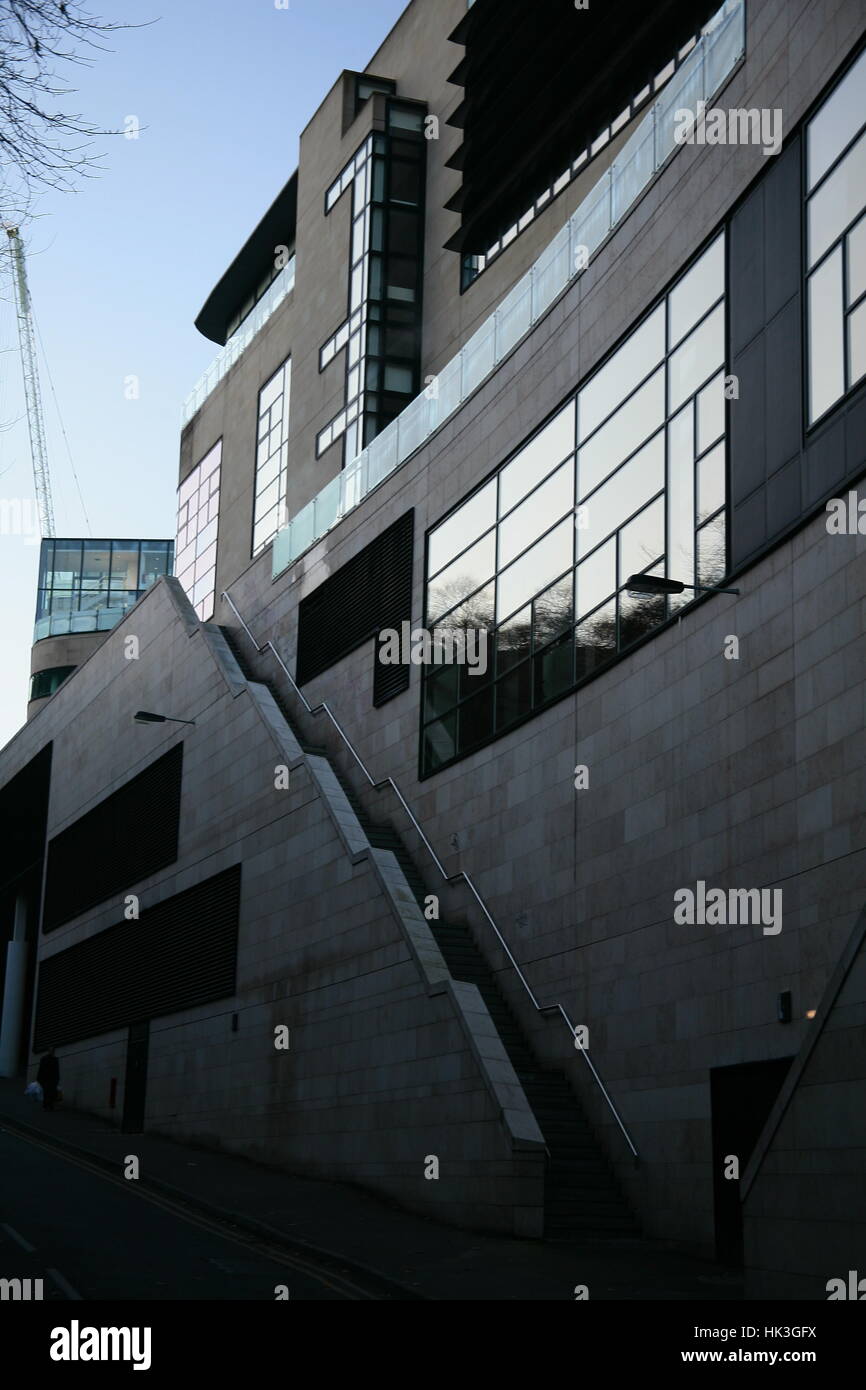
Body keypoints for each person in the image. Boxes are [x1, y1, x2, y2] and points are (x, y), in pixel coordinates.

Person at [37, 1047, 60, 1111]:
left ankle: (49, 1106)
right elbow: (41, 1069)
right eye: (51, 1050)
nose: (52, 1052)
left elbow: (57, 1070)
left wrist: (57, 1078)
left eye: (52, 1051)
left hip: (51, 1078)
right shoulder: (45, 1059)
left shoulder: (54, 1059)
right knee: (46, 1092)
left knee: (51, 1092)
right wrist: (39, 1078)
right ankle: (46, 1106)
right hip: (46, 1078)